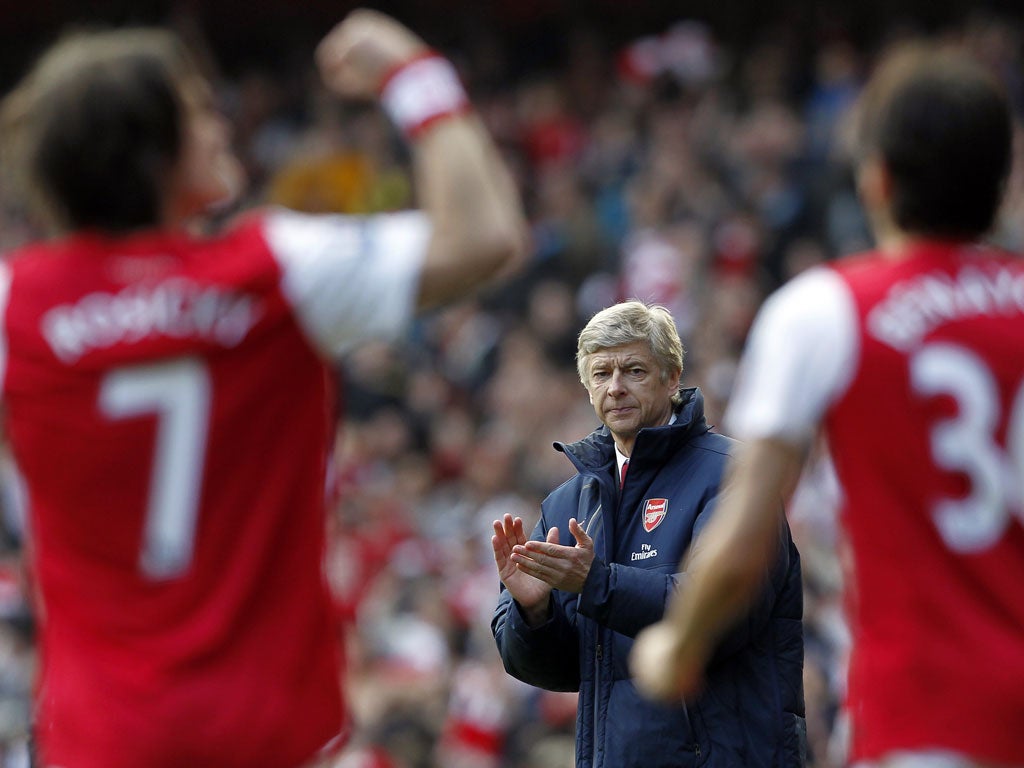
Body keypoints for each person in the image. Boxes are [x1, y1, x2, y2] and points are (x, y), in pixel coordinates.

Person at [0, 10, 526, 768]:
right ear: (149, 152)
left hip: (98, 739)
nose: (219, 124)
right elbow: (483, 237)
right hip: (268, 734)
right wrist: (413, 72)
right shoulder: (277, 270)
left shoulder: (18, 305)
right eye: (197, 109)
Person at [631, 42, 1024, 768]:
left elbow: (743, 539)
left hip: (931, 720)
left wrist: (675, 646)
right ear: (1005, 184)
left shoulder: (826, 311)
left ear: (875, 180)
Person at [490, 300, 806, 768]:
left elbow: (725, 613)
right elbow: (559, 671)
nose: (615, 388)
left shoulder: (734, 474)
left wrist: (597, 583)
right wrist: (534, 613)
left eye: (633, 370)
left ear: (672, 377)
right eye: (601, 375)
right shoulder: (567, 502)